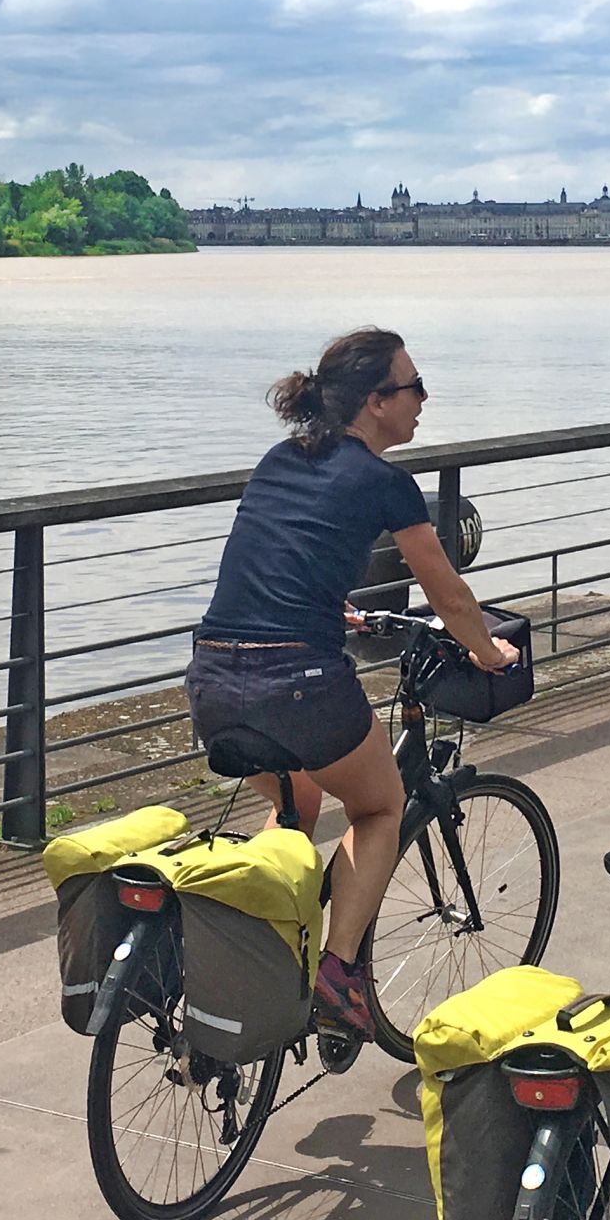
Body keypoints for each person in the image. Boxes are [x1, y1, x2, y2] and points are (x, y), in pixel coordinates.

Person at [189, 327, 517, 1034]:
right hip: (296, 683)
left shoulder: (280, 460)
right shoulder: (385, 483)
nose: (423, 400)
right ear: (375, 402)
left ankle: (268, 947)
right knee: (378, 806)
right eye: (413, 386)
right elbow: (450, 595)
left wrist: (335, 607)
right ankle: (337, 975)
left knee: (297, 801)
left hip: (213, 676)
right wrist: (488, 653)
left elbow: (276, 559)